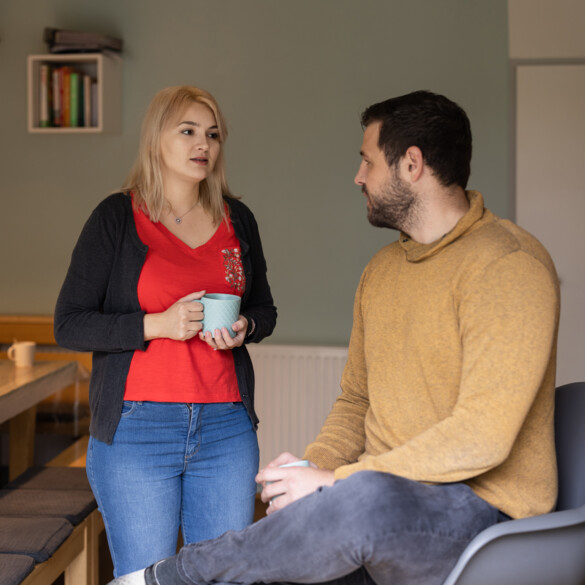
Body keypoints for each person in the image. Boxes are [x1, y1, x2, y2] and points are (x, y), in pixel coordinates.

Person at [109, 90, 560, 585]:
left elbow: (483, 437)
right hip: (377, 506)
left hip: (483, 515)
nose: (358, 177)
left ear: (412, 164)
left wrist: (335, 483)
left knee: (359, 500)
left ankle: (171, 577)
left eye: (367, 161)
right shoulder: (383, 271)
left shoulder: (507, 265)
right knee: (305, 525)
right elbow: (355, 402)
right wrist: (311, 468)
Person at [54, 85, 277, 577]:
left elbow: (265, 309)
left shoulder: (237, 219)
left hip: (226, 428)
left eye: (213, 134)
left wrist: (246, 326)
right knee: (145, 577)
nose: (204, 144)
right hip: (137, 429)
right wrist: (158, 324)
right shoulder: (116, 217)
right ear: (158, 139)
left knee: (220, 575)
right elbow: (68, 323)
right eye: (189, 131)